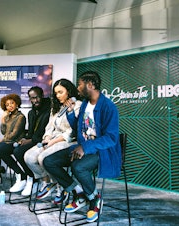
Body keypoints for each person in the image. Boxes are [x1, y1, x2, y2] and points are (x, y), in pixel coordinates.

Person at [43, 71, 121, 223]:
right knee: (49, 162)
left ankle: (94, 199)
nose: (77, 88)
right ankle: (79, 193)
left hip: (101, 151)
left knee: (78, 167)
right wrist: (71, 112)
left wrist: (85, 148)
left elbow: (111, 138)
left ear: (90, 85)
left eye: (79, 85)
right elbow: (79, 128)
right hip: (82, 147)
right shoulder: (85, 104)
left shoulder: (108, 107)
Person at [24, 78, 82, 204]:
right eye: (56, 93)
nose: (58, 95)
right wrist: (47, 138)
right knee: (28, 156)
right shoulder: (56, 107)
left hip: (68, 141)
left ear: (69, 91)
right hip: (53, 138)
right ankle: (50, 182)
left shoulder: (77, 105)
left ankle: (61, 188)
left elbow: (73, 131)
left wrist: (53, 142)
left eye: (61, 92)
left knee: (42, 158)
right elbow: (49, 126)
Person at [4, 86, 51, 196]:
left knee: (18, 151)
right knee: (7, 149)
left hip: (43, 141)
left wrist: (30, 140)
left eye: (37, 97)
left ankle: (33, 179)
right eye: (32, 98)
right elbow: (30, 132)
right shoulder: (31, 112)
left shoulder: (49, 110)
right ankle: (24, 176)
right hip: (33, 140)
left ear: (42, 96)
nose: (35, 101)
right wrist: (25, 139)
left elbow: (44, 133)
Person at [0, 93, 26, 183]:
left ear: (17, 103)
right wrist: (3, 120)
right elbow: (3, 132)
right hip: (6, 140)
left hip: (14, 142)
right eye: (7, 105)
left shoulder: (20, 117)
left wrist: (0, 141)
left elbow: (14, 134)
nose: (10, 106)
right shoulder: (8, 116)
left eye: (12, 103)